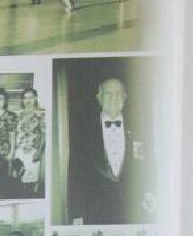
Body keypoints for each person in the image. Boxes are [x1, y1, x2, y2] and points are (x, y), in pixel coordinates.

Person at [60, 71, 149, 224]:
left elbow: (146, 165)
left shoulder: (139, 128)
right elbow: (75, 172)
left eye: (118, 93)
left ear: (125, 97)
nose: (114, 98)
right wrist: (76, 212)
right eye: (108, 93)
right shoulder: (83, 132)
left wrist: (149, 193)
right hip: (95, 210)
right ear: (99, 98)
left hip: (132, 210)